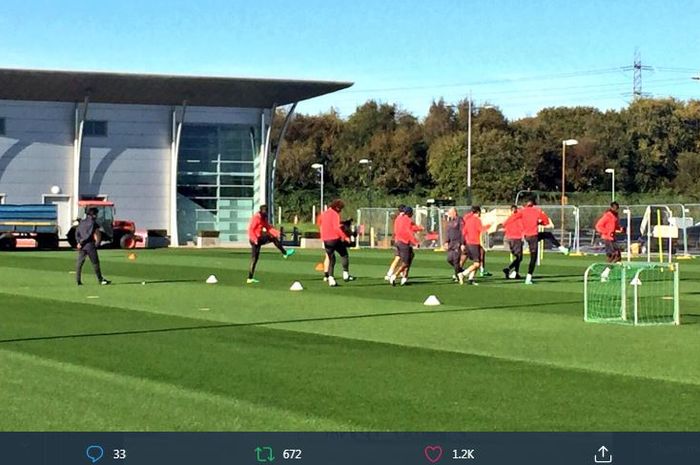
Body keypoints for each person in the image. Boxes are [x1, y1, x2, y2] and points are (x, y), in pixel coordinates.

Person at [511, 198, 569, 285]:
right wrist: (541, 222)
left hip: (528, 236)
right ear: (533, 205)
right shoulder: (536, 211)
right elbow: (545, 221)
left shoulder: (522, 212)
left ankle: (562, 249)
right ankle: (528, 278)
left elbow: (514, 220)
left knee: (547, 235)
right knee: (533, 258)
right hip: (533, 236)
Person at [247, 205, 295, 284]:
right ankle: (285, 253)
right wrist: (254, 239)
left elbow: (269, 228)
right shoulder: (256, 218)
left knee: (256, 258)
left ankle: (250, 278)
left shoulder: (263, 218)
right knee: (254, 259)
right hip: (254, 239)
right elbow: (250, 230)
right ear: (261, 211)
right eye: (265, 212)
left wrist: (278, 233)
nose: (266, 214)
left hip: (259, 238)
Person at [320, 199, 354, 286]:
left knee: (331, 259)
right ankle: (345, 273)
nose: (341, 210)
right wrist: (345, 237)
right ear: (337, 207)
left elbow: (321, 226)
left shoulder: (324, 213)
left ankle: (331, 279)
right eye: (340, 208)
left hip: (326, 240)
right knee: (344, 254)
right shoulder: (335, 214)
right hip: (334, 238)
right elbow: (336, 228)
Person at [75, 207, 110, 286]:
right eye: (96, 214)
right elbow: (89, 234)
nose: (97, 215)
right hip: (89, 245)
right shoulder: (93, 223)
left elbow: (77, 233)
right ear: (93, 215)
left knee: (79, 263)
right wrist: (81, 242)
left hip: (82, 246)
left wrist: (78, 242)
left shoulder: (81, 222)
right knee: (95, 263)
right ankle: (100, 280)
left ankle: (78, 280)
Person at [596, 201, 624, 281]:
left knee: (615, 257)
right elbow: (598, 226)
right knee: (615, 255)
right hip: (607, 238)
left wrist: (620, 229)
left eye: (617, 208)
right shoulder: (607, 216)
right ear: (611, 208)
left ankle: (605, 272)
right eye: (615, 208)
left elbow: (615, 227)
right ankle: (605, 273)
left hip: (613, 238)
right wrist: (607, 232)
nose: (616, 210)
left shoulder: (616, 216)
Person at [461, 206, 486, 285]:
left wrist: (462, 243)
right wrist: (490, 226)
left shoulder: (468, 220)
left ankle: (471, 279)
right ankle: (463, 274)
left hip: (468, 244)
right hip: (474, 244)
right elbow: (481, 229)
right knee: (477, 263)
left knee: (476, 261)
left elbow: (464, 232)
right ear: (478, 212)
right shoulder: (477, 220)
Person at [444, 207, 466, 284]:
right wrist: (446, 242)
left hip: (457, 243)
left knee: (456, 261)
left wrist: (463, 243)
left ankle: (458, 276)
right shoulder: (450, 222)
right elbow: (447, 232)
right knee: (449, 259)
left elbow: (463, 232)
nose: (449, 215)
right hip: (451, 244)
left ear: (454, 213)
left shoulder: (460, 220)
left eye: (450, 213)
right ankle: (461, 271)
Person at [502, 205, 524, 280]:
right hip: (516, 238)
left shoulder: (509, 218)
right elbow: (522, 227)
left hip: (509, 238)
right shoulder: (518, 218)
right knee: (519, 257)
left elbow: (504, 225)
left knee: (518, 257)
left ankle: (516, 273)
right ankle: (508, 269)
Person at [385, 205, 406, 280]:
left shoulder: (397, 218)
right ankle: (390, 273)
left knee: (399, 258)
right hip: (401, 240)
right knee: (399, 258)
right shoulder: (402, 218)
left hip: (397, 240)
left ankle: (394, 273)